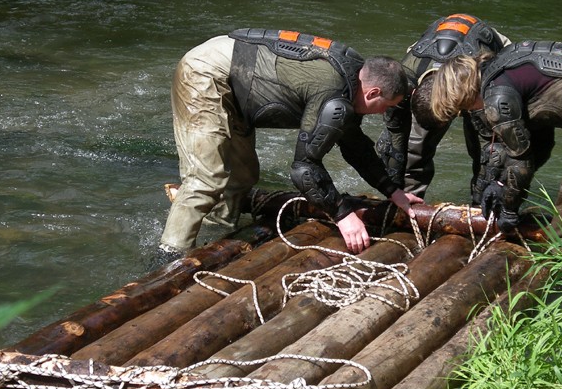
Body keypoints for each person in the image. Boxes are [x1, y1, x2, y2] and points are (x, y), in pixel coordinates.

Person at [158, 28, 424, 260]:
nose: (382, 114)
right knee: (207, 177)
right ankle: (169, 257)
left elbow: (356, 147)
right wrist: (343, 216)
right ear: (373, 92)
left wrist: (392, 191)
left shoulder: (352, 81)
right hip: (208, 72)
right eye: (385, 107)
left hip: (238, 76)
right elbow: (304, 167)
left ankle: (215, 238)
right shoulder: (332, 92)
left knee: (242, 175)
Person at [429, 39, 562, 234]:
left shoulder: (497, 96)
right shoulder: (502, 70)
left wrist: (510, 208)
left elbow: (521, 161)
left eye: (464, 107)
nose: (469, 112)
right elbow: (537, 147)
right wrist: (502, 185)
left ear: (464, 93)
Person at [375, 13, 511, 200]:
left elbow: (491, 149)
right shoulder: (405, 78)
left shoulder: (482, 81)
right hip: (434, 50)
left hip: (484, 61)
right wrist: (394, 192)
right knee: (410, 148)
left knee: (488, 154)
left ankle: (481, 206)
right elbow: (396, 138)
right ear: (414, 93)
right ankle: (410, 200)